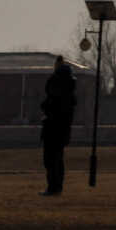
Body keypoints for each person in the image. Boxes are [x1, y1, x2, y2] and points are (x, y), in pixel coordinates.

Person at [39, 57, 79, 196]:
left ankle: (53, 187)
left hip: (53, 129)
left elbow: (47, 104)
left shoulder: (57, 94)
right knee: (57, 159)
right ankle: (56, 186)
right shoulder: (69, 95)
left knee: (51, 160)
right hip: (62, 131)